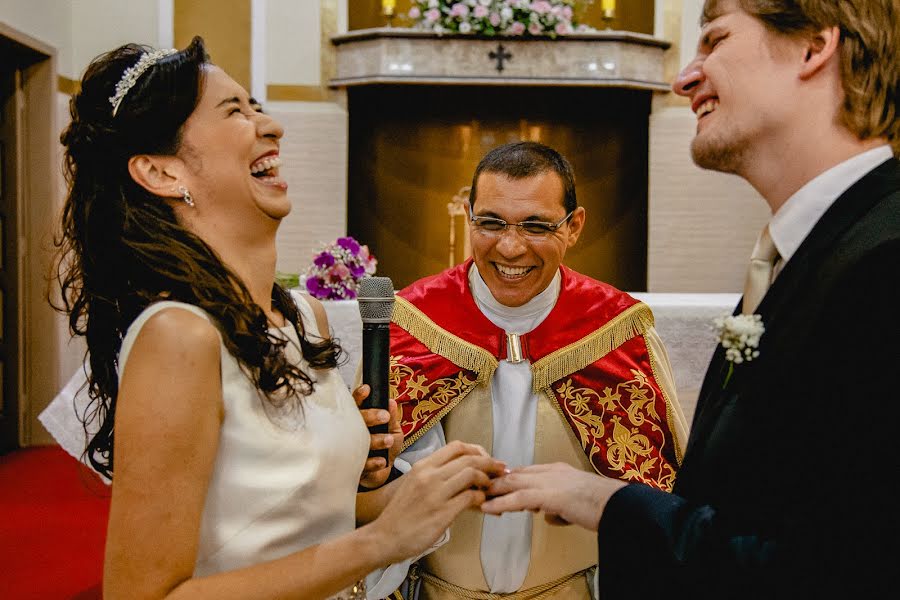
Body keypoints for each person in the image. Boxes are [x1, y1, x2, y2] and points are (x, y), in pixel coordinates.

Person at [53, 37, 506, 599]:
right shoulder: (179, 336)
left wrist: (420, 494)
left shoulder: (304, 319)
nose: (271, 126)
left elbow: (308, 523)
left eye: (256, 105)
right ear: (162, 172)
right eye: (234, 112)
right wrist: (381, 541)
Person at [482, 1, 900, 598]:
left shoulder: (884, 262)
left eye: (715, 40)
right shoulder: (815, 251)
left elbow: (844, 572)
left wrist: (613, 503)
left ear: (813, 48)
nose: (684, 78)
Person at [368, 141, 690, 599]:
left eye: (536, 226)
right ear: (469, 215)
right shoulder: (413, 326)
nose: (511, 247)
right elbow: (370, 489)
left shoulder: (615, 333)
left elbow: (652, 497)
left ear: (574, 226)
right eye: (491, 222)